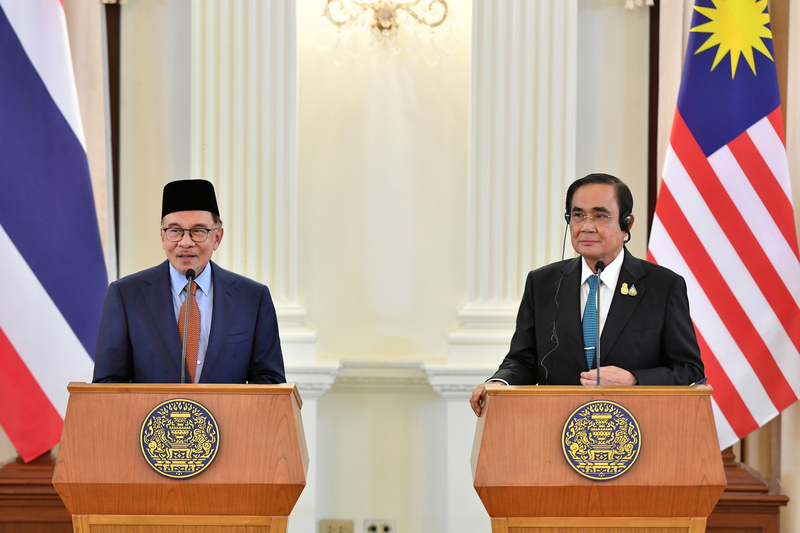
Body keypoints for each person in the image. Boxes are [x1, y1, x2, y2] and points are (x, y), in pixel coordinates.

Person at [470, 173, 703, 416]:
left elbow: (689, 369)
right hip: (556, 430)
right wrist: (499, 383)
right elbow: (523, 360)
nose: (586, 227)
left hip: (638, 430)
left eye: (600, 216)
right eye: (578, 215)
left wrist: (634, 379)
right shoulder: (542, 284)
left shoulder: (663, 286)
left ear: (626, 224)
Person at [93, 179, 285, 384]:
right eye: (175, 230)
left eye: (198, 231)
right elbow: (108, 384)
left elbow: (270, 383)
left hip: (229, 417)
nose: (185, 242)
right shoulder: (126, 295)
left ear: (217, 238)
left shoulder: (252, 298)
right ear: (163, 237)